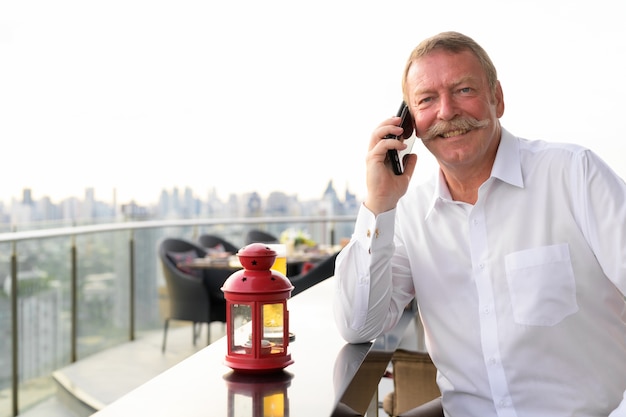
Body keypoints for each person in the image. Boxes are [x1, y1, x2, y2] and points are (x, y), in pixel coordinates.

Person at [333, 31, 626, 416]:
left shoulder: (574, 175)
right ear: (409, 123)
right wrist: (379, 204)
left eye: (464, 90)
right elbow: (359, 326)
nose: (447, 111)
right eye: (426, 100)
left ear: (497, 99)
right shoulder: (407, 214)